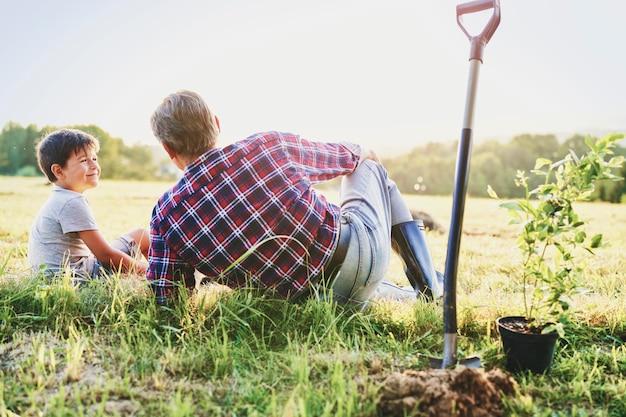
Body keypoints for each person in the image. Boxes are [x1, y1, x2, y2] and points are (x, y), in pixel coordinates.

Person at [148, 90, 443, 308]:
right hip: (356, 259)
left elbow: (168, 298)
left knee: (351, 288)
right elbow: (350, 157)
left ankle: (415, 290)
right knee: (368, 165)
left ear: (168, 149)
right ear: (215, 122)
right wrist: (365, 154)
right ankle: (429, 286)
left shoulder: (165, 214)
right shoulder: (266, 147)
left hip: (301, 303)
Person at [28, 129, 150, 281]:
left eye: (94, 158)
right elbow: (105, 255)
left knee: (137, 236)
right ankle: (163, 277)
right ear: (59, 171)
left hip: (60, 277)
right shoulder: (71, 202)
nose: (94, 165)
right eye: (84, 160)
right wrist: (147, 269)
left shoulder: (59, 198)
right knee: (142, 235)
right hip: (80, 278)